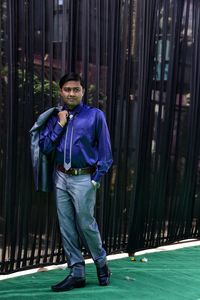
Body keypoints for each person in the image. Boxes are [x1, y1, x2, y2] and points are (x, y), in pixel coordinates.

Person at [38, 72, 113, 292]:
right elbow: (45, 148)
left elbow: (106, 152)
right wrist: (60, 125)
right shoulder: (54, 116)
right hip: (60, 176)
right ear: (61, 91)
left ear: (82, 91)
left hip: (84, 178)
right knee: (66, 225)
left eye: (76, 89)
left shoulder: (95, 115)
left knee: (85, 223)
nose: (72, 93)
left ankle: (101, 262)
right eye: (67, 89)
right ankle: (77, 271)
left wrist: (96, 179)